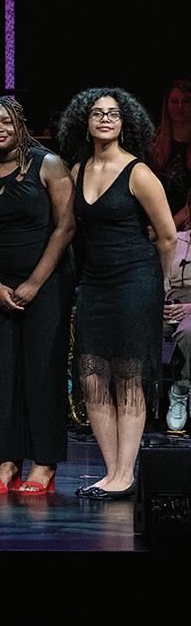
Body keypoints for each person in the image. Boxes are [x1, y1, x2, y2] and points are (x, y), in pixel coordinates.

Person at [58, 88, 176, 500]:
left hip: (135, 281)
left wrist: (161, 285)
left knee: (128, 377)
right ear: (85, 122)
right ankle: (110, 473)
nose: (105, 119)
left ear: (125, 122)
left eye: (113, 113)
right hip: (95, 284)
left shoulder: (138, 172)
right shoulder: (77, 171)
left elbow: (167, 235)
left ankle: (125, 473)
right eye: (97, 113)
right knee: (92, 377)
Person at [0, 95, 75, 495]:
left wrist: (34, 283)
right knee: (3, 371)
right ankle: (8, 459)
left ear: (20, 125)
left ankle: (44, 461)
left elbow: (65, 227)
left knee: (42, 371)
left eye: (6, 122)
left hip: (46, 281)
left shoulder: (49, 164)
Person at [150, 79, 191, 226]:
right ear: (166, 106)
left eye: (186, 101)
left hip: (183, 227)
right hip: (153, 221)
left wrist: (167, 228)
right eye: (174, 102)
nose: (180, 107)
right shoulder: (154, 143)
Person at [162, 225, 191, 431]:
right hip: (170, 304)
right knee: (143, 329)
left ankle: (181, 388)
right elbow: (162, 276)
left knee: (187, 333)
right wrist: (160, 305)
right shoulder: (175, 240)